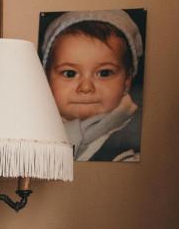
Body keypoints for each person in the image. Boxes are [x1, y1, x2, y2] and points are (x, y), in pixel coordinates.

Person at [40, 9, 144, 162]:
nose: (86, 88)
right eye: (70, 73)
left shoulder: (132, 144)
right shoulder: (37, 130)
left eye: (104, 73)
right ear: (47, 79)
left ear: (127, 79)